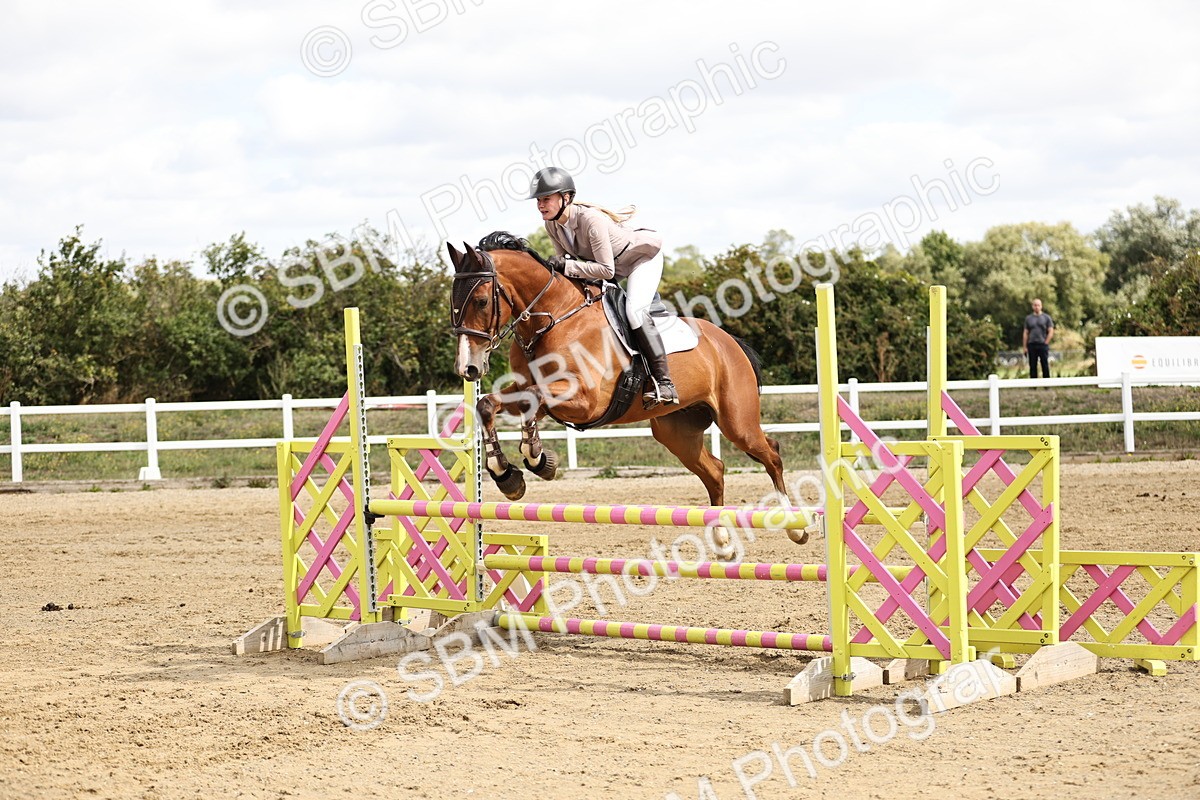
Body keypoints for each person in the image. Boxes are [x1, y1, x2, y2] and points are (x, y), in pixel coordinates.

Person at [528, 166, 679, 406]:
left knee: (634, 312)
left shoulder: (591, 220)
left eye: (546, 198)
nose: (540, 205)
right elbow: (568, 265)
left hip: (640, 259)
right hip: (609, 268)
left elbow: (604, 270)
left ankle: (665, 383)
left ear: (566, 198)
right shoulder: (552, 225)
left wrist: (566, 267)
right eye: (538, 200)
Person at [1023, 298, 1055, 379]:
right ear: (1032, 306)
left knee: (1044, 364)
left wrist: (1046, 342)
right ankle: (1033, 385)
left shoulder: (1046, 318)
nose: (1037, 307)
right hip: (1032, 344)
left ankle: (1046, 384)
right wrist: (1024, 347)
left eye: (1038, 305)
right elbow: (1026, 333)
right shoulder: (1028, 318)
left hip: (1042, 344)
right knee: (1032, 365)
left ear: (1041, 306)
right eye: (1035, 305)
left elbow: (1051, 331)